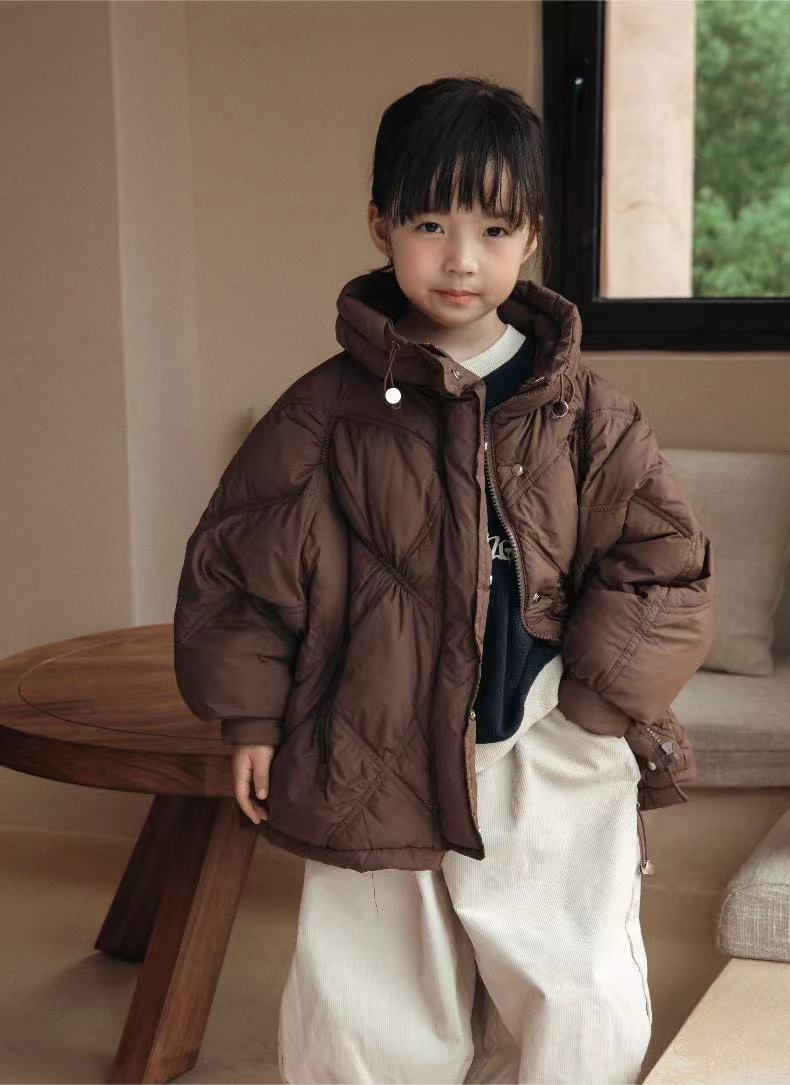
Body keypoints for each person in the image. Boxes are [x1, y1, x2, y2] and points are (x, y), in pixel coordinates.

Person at [173, 75, 714, 1085]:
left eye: (494, 229)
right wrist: (251, 718)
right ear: (380, 225)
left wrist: (598, 706)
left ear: (532, 237)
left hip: (543, 740)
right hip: (367, 740)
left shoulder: (583, 410)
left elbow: (663, 559)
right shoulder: (323, 412)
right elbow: (241, 570)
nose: (461, 258)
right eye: (430, 224)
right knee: (369, 999)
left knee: (573, 982)